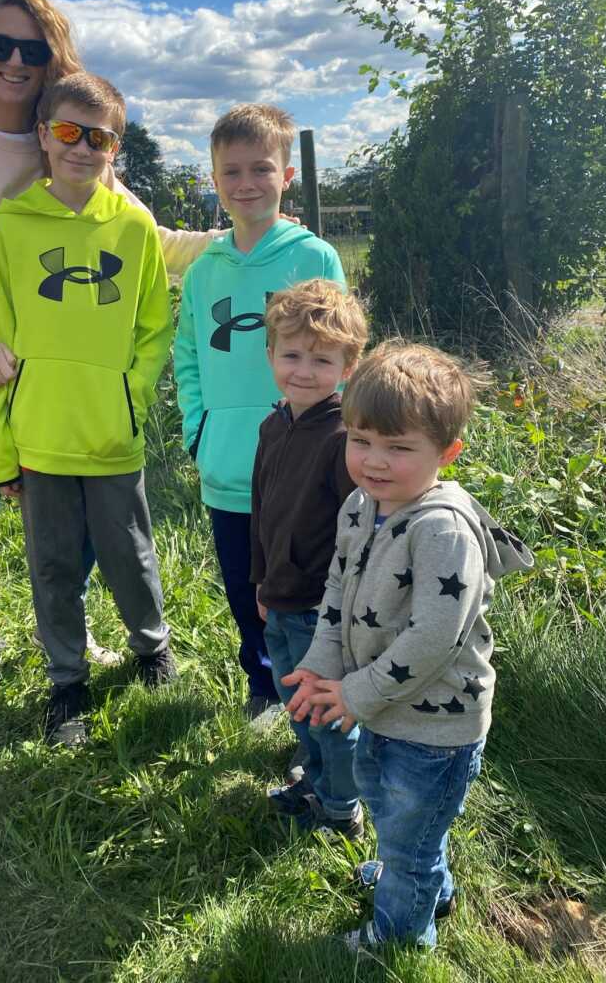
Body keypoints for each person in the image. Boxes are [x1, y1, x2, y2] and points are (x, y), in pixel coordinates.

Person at [0, 0, 214, 689]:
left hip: (48, 369)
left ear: (50, 61)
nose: (13, 61)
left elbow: (140, 239)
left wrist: (236, 241)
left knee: (60, 507)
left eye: (31, 50)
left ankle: (68, 626)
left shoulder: (71, 139)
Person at [284, 341, 533, 951]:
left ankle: (399, 934)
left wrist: (356, 692)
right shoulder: (361, 505)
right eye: (361, 440)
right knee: (401, 818)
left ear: (447, 452)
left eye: (399, 448)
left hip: (436, 726)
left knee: (409, 828)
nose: (374, 461)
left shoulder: (442, 531)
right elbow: (338, 585)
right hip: (384, 705)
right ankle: (423, 877)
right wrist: (321, 662)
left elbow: (434, 639)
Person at [0, 72, 176, 746]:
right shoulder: (12, 224)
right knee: (54, 567)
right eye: (67, 132)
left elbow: (154, 326)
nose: (81, 148)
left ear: (115, 148)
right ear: (43, 135)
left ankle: (153, 649)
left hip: (111, 433)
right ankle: (67, 686)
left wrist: (131, 396)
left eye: (99, 138)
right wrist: (0, 451)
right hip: (40, 437)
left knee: (130, 553)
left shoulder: (134, 227)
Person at [174, 104, 346, 724]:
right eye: (232, 172)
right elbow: (187, 352)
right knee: (246, 584)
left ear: (287, 176)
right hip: (227, 461)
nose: (246, 184)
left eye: (260, 169)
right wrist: (198, 427)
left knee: (301, 583)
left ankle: (314, 685)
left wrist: (334, 437)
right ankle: (262, 682)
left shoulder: (314, 258)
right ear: (214, 179)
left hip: (301, 466)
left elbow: (341, 349)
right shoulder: (204, 271)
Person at [252, 279, 368, 838]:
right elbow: (260, 515)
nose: (303, 370)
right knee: (294, 699)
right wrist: (260, 583)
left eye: (322, 360)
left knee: (326, 711)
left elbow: (361, 535)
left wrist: (343, 610)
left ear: (348, 365)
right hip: (278, 597)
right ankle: (314, 777)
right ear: (270, 353)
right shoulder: (272, 427)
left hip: (323, 610)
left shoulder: (345, 439)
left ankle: (342, 805)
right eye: (291, 354)